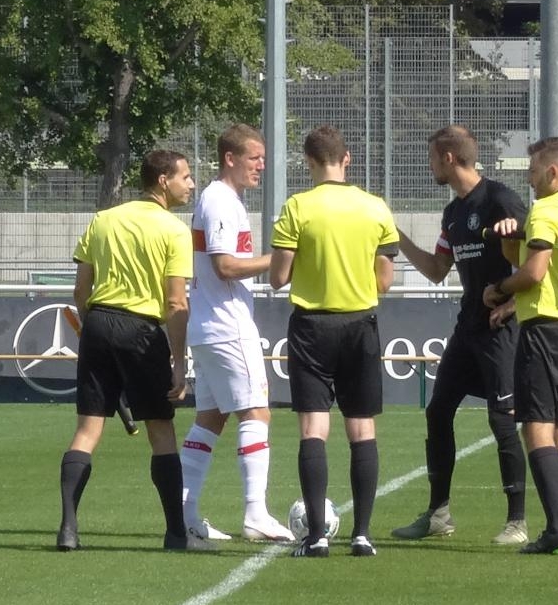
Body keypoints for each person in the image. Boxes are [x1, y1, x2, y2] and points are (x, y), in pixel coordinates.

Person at [57, 150, 204, 552]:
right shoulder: (174, 230)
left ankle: (68, 528)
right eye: (186, 177)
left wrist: (92, 327)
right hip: (141, 331)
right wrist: (179, 363)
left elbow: (80, 290)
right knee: (161, 430)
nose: (191, 184)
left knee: (87, 430)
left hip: (98, 324)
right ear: (163, 180)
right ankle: (176, 534)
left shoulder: (103, 219)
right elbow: (176, 303)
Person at [390, 126, 530, 546]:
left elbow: (536, 258)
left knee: (502, 418)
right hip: (468, 326)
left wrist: (511, 303)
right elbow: (437, 271)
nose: (429, 166)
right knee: (437, 412)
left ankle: (518, 521)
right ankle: (438, 514)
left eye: (432, 158)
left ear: (448, 158)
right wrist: (396, 237)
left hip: (500, 327)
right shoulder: (453, 212)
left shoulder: (500, 199)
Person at [269, 125, 400, 557]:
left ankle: (317, 537)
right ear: (347, 160)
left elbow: (278, 277)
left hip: (312, 326)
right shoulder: (375, 207)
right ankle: (362, 535)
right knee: (362, 429)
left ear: (309, 162)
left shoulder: (297, 207)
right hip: (360, 324)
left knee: (314, 429)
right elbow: (384, 280)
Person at [483, 137, 558, 555]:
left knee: (536, 428)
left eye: (532, 172)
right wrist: (509, 241)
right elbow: (543, 265)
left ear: (552, 172)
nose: (529, 181)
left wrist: (498, 290)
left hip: (545, 329)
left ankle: (555, 531)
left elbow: (533, 273)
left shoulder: (546, 209)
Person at [180, 124, 294, 543]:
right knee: (257, 413)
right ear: (230, 158)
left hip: (209, 326)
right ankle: (255, 513)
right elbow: (225, 266)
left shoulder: (221, 200)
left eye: (262, 158)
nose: (261, 166)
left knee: (209, 420)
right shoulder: (220, 201)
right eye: (254, 158)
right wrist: (280, 258)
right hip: (227, 327)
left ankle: (185, 515)